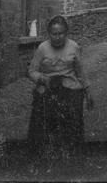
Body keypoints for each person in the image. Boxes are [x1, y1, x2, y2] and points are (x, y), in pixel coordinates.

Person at [27, 15, 94, 154]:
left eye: (61, 33)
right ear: (49, 34)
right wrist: (42, 78)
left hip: (70, 87)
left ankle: (73, 153)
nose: (57, 37)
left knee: (72, 123)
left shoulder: (74, 46)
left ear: (66, 33)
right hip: (48, 87)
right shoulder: (42, 48)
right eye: (54, 34)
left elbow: (80, 71)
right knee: (43, 122)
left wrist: (88, 92)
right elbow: (32, 71)